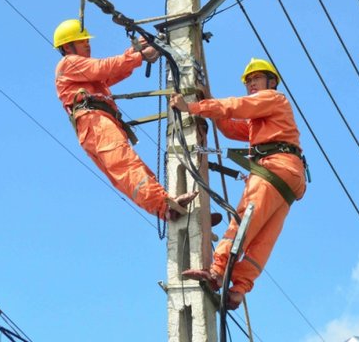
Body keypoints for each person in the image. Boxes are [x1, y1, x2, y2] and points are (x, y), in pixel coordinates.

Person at [170, 58, 307, 310]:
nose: (251, 84)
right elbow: (231, 128)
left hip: (275, 168)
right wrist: (210, 105)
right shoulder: (264, 119)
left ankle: (217, 270)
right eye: (248, 81)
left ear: (271, 82)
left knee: (244, 220)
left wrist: (193, 107)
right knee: (263, 239)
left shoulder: (274, 98)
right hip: (289, 180)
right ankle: (239, 288)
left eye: (256, 78)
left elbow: (237, 106)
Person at [53, 18, 197, 220]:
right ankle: (163, 205)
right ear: (68, 46)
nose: (88, 44)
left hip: (95, 125)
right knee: (125, 166)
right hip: (94, 122)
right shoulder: (69, 63)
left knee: (126, 170)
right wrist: (140, 56)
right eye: (82, 41)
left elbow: (113, 71)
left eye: (88, 40)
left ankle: (164, 206)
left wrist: (137, 51)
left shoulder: (82, 72)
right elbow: (105, 68)